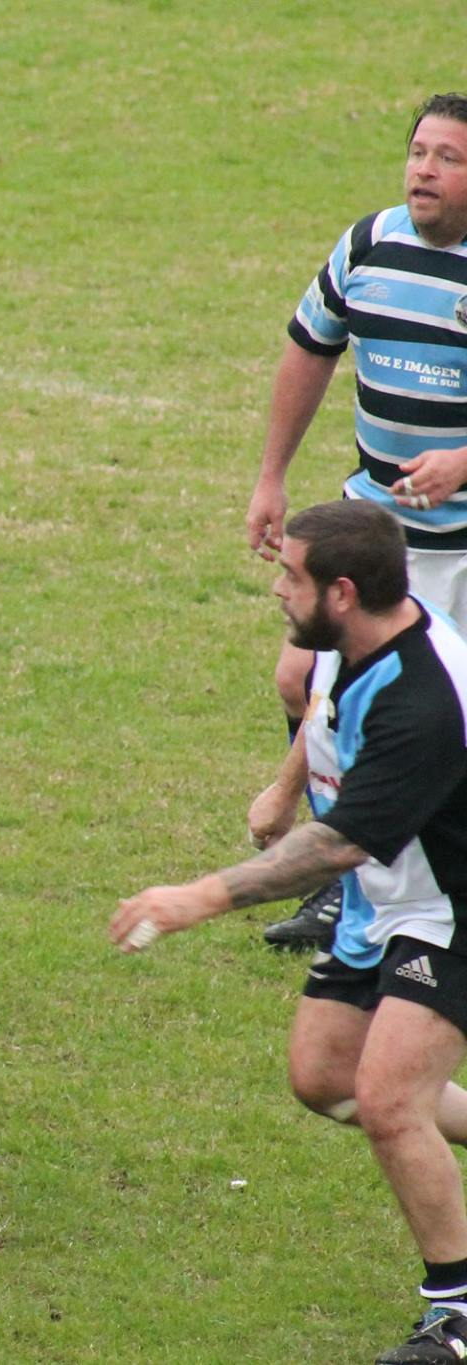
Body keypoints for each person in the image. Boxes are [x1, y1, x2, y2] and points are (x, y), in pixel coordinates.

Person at [115, 499, 467, 1365]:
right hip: (384, 902)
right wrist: (282, 787)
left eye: (291, 576)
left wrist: (200, 895)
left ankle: (455, 1312)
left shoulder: (425, 698)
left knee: (389, 1102)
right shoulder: (353, 641)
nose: (277, 588)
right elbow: (327, 714)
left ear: (342, 592)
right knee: (323, 1076)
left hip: (450, 909)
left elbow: (339, 842)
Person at [245, 94, 467, 954]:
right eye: (418, 152)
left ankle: (394, 887)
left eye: (448, 157)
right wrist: (271, 476)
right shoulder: (369, 246)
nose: (424, 170)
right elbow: (311, 344)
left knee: (421, 718)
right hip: (375, 530)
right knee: (304, 683)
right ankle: (348, 888)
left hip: (458, 547)